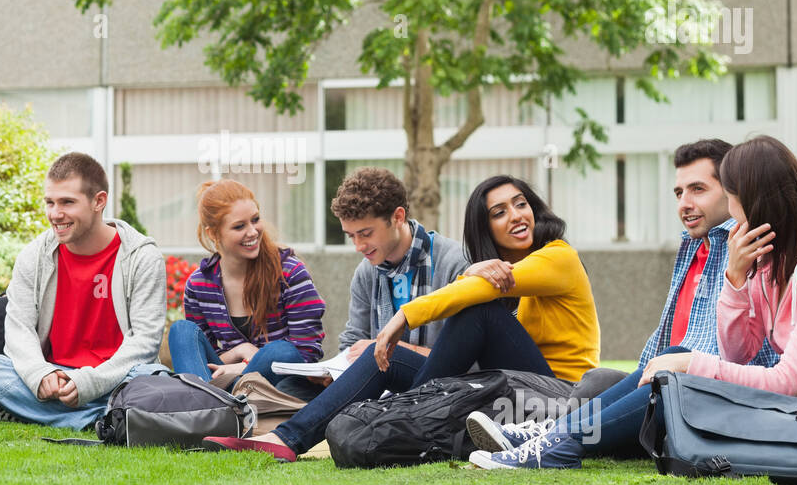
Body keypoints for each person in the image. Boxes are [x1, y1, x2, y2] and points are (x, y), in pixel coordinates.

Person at [471, 135, 797, 471]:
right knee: (673, 364)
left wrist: (690, 367)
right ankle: (555, 440)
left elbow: (785, 379)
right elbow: (738, 352)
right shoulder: (771, 260)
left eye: (729, 196)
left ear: (755, 198)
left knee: (679, 378)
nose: (731, 211)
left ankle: (559, 445)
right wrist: (735, 279)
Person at [203, 172, 598, 461]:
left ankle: (400, 420)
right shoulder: (497, 271)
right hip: (508, 386)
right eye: (499, 212)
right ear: (486, 226)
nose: (514, 216)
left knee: (477, 313)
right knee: (382, 355)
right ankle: (287, 439)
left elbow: (475, 306)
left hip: (560, 396)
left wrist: (402, 319)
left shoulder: (557, 257)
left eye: (520, 204)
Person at [465, 138, 778, 451]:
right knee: (599, 381)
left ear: (732, 191)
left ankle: (554, 443)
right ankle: (551, 433)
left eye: (698, 189)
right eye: (679, 193)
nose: (684, 203)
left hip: (707, 389)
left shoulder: (748, 250)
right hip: (668, 378)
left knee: (659, 379)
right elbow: (663, 342)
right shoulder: (694, 248)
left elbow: (727, 353)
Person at [0, 152, 170, 428]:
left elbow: (145, 344)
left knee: (154, 376)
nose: (55, 214)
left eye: (67, 202)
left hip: (115, 377)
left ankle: (35, 412)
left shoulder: (142, 257)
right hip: (56, 376)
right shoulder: (34, 255)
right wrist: (40, 374)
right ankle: (105, 418)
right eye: (50, 203)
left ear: (99, 201)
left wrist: (89, 382)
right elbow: (18, 329)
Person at [168, 180, 325, 398]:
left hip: (277, 386)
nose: (252, 232)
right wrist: (240, 351)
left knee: (280, 350)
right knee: (181, 331)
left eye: (255, 220)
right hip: (223, 385)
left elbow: (306, 353)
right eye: (239, 226)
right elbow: (200, 361)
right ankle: (213, 407)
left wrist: (242, 368)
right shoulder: (199, 285)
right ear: (213, 234)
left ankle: (215, 409)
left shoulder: (289, 273)